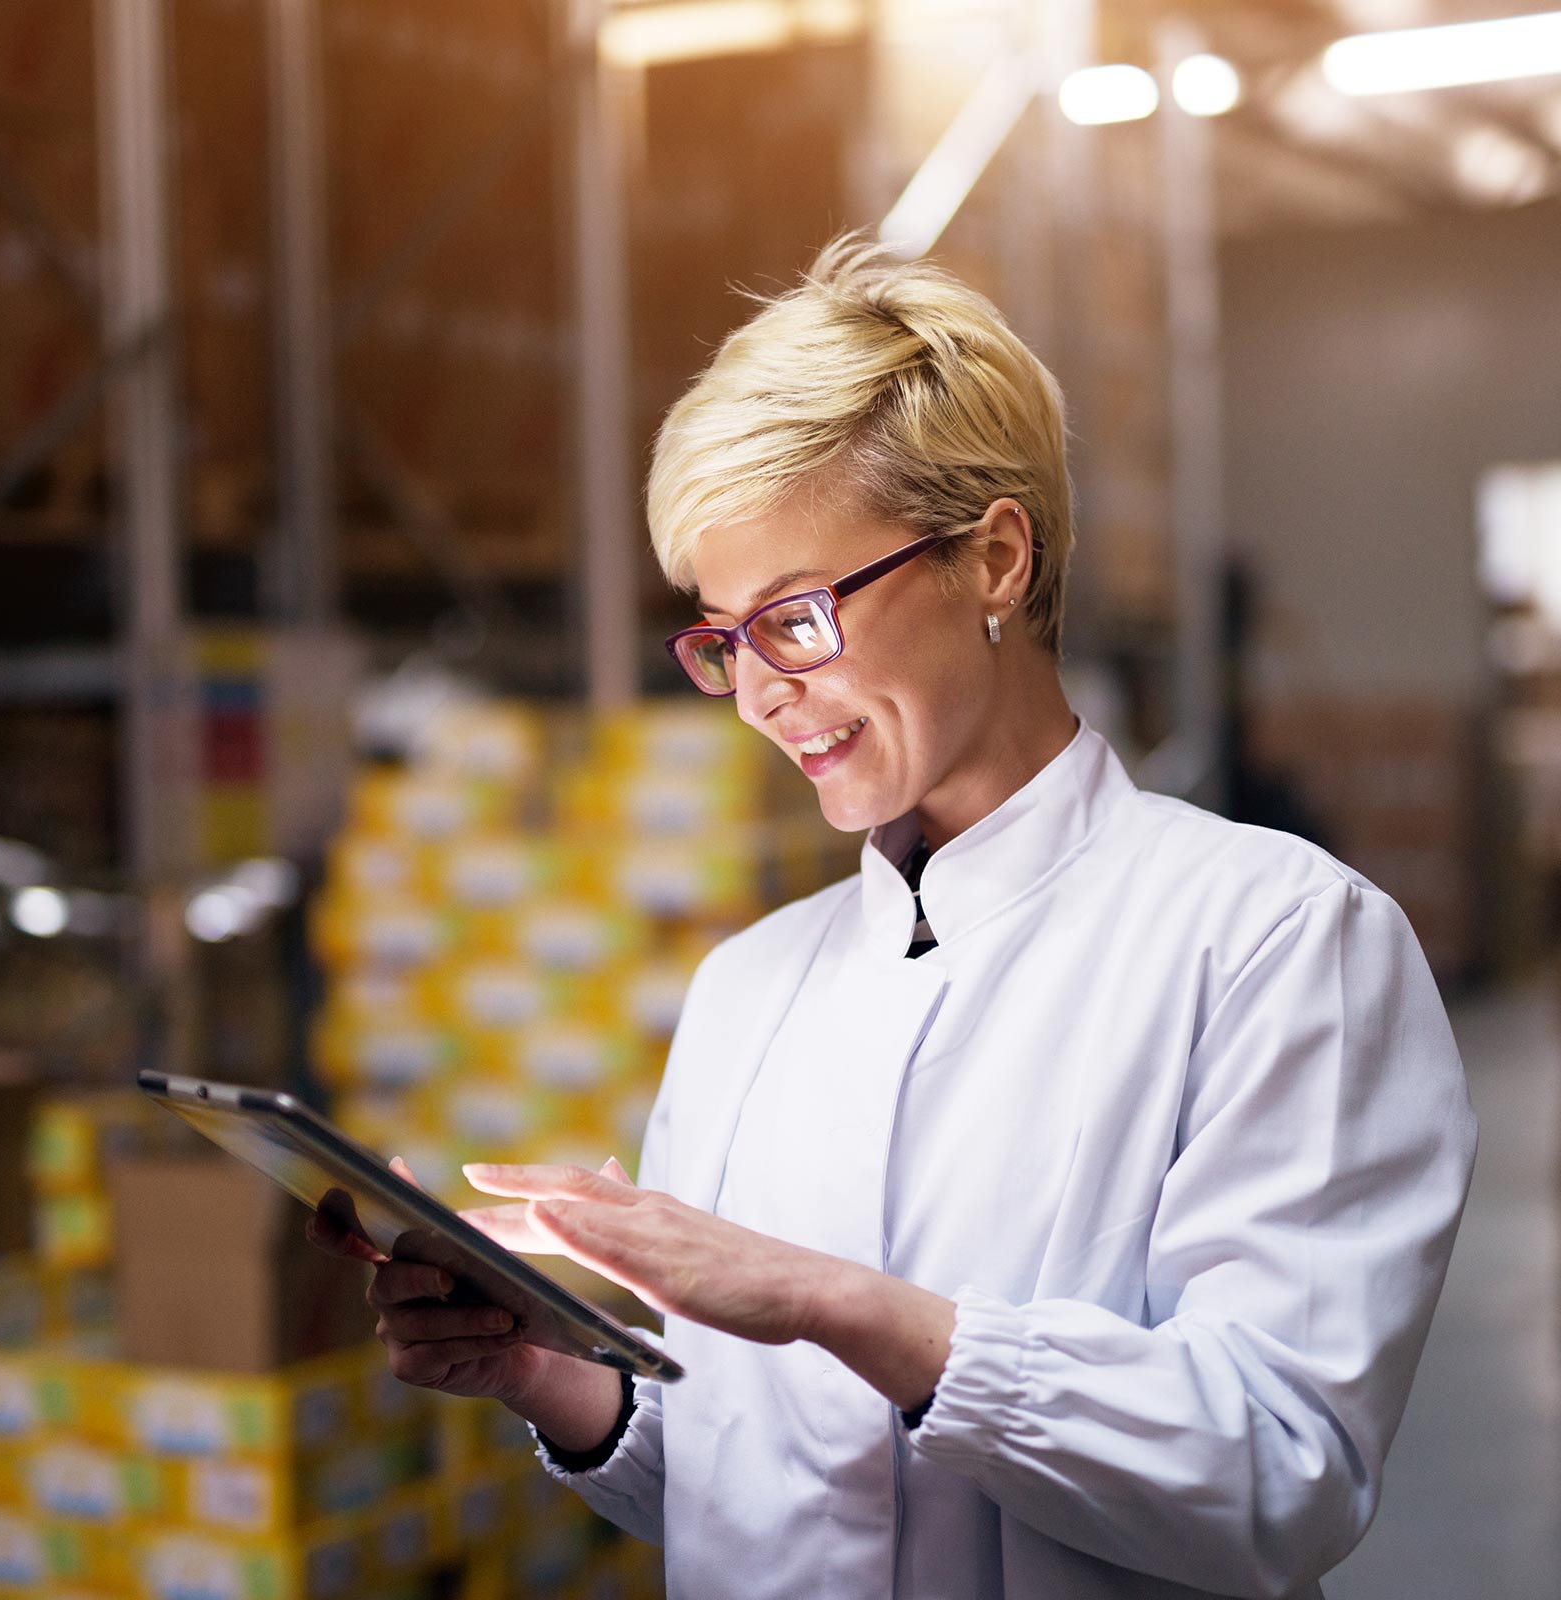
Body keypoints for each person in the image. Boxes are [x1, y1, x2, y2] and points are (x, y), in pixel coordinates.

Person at [314, 237, 1477, 1599]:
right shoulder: (751, 989)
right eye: (722, 639)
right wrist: (555, 1379)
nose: (759, 694)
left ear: (993, 558)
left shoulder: (1277, 944)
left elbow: (1280, 1470)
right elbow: (757, 1477)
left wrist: (838, 1304)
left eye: (797, 620)